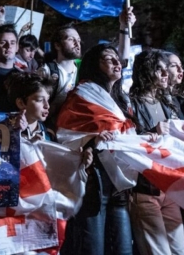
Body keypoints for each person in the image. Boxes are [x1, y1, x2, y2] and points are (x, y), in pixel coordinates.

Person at [57, 43, 135, 255]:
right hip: (95, 183)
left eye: (117, 59)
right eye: (109, 59)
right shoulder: (82, 94)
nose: (117, 63)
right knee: (93, 249)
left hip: (120, 186)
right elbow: (66, 133)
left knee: (123, 249)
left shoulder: (122, 100)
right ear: (94, 65)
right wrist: (92, 140)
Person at [128, 49, 184, 255]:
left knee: (179, 250)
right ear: (145, 72)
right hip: (144, 189)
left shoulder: (167, 103)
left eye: (165, 69)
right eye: (158, 70)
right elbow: (126, 140)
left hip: (168, 187)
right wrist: (152, 132)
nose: (165, 74)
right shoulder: (130, 103)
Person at [6, 72, 55, 141]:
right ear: (21, 103)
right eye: (40, 100)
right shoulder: (4, 130)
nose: (47, 106)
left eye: (48, 100)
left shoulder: (47, 134)